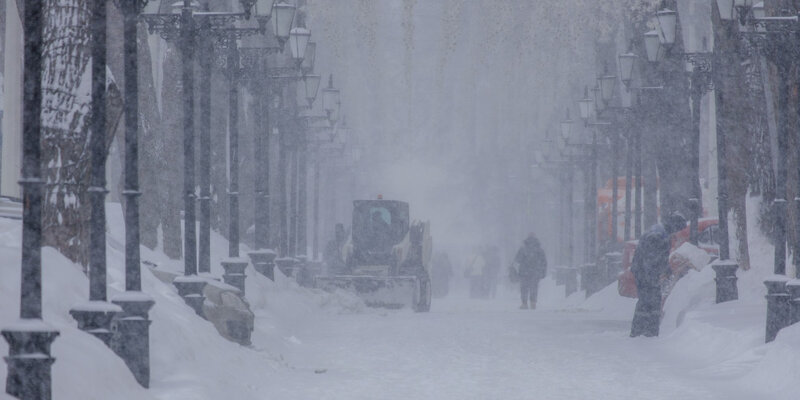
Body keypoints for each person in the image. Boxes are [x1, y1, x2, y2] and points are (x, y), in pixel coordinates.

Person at [629, 213, 687, 338]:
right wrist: (653, 277)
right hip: (646, 274)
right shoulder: (657, 236)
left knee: (646, 301)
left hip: (642, 272)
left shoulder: (658, 232)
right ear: (674, 226)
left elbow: (657, 257)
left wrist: (665, 269)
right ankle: (648, 331)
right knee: (651, 301)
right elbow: (652, 259)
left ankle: (640, 330)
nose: (677, 232)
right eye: (678, 229)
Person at [513, 233, 547, 309]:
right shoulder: (539, 250)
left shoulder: (523, 249)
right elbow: (544, 262)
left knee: (524, 288)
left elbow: (517, 260)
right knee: (534, 288)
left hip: (524, 272)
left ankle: (524, 304)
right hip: (536, 272)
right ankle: (533, 303)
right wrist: (543, 272)